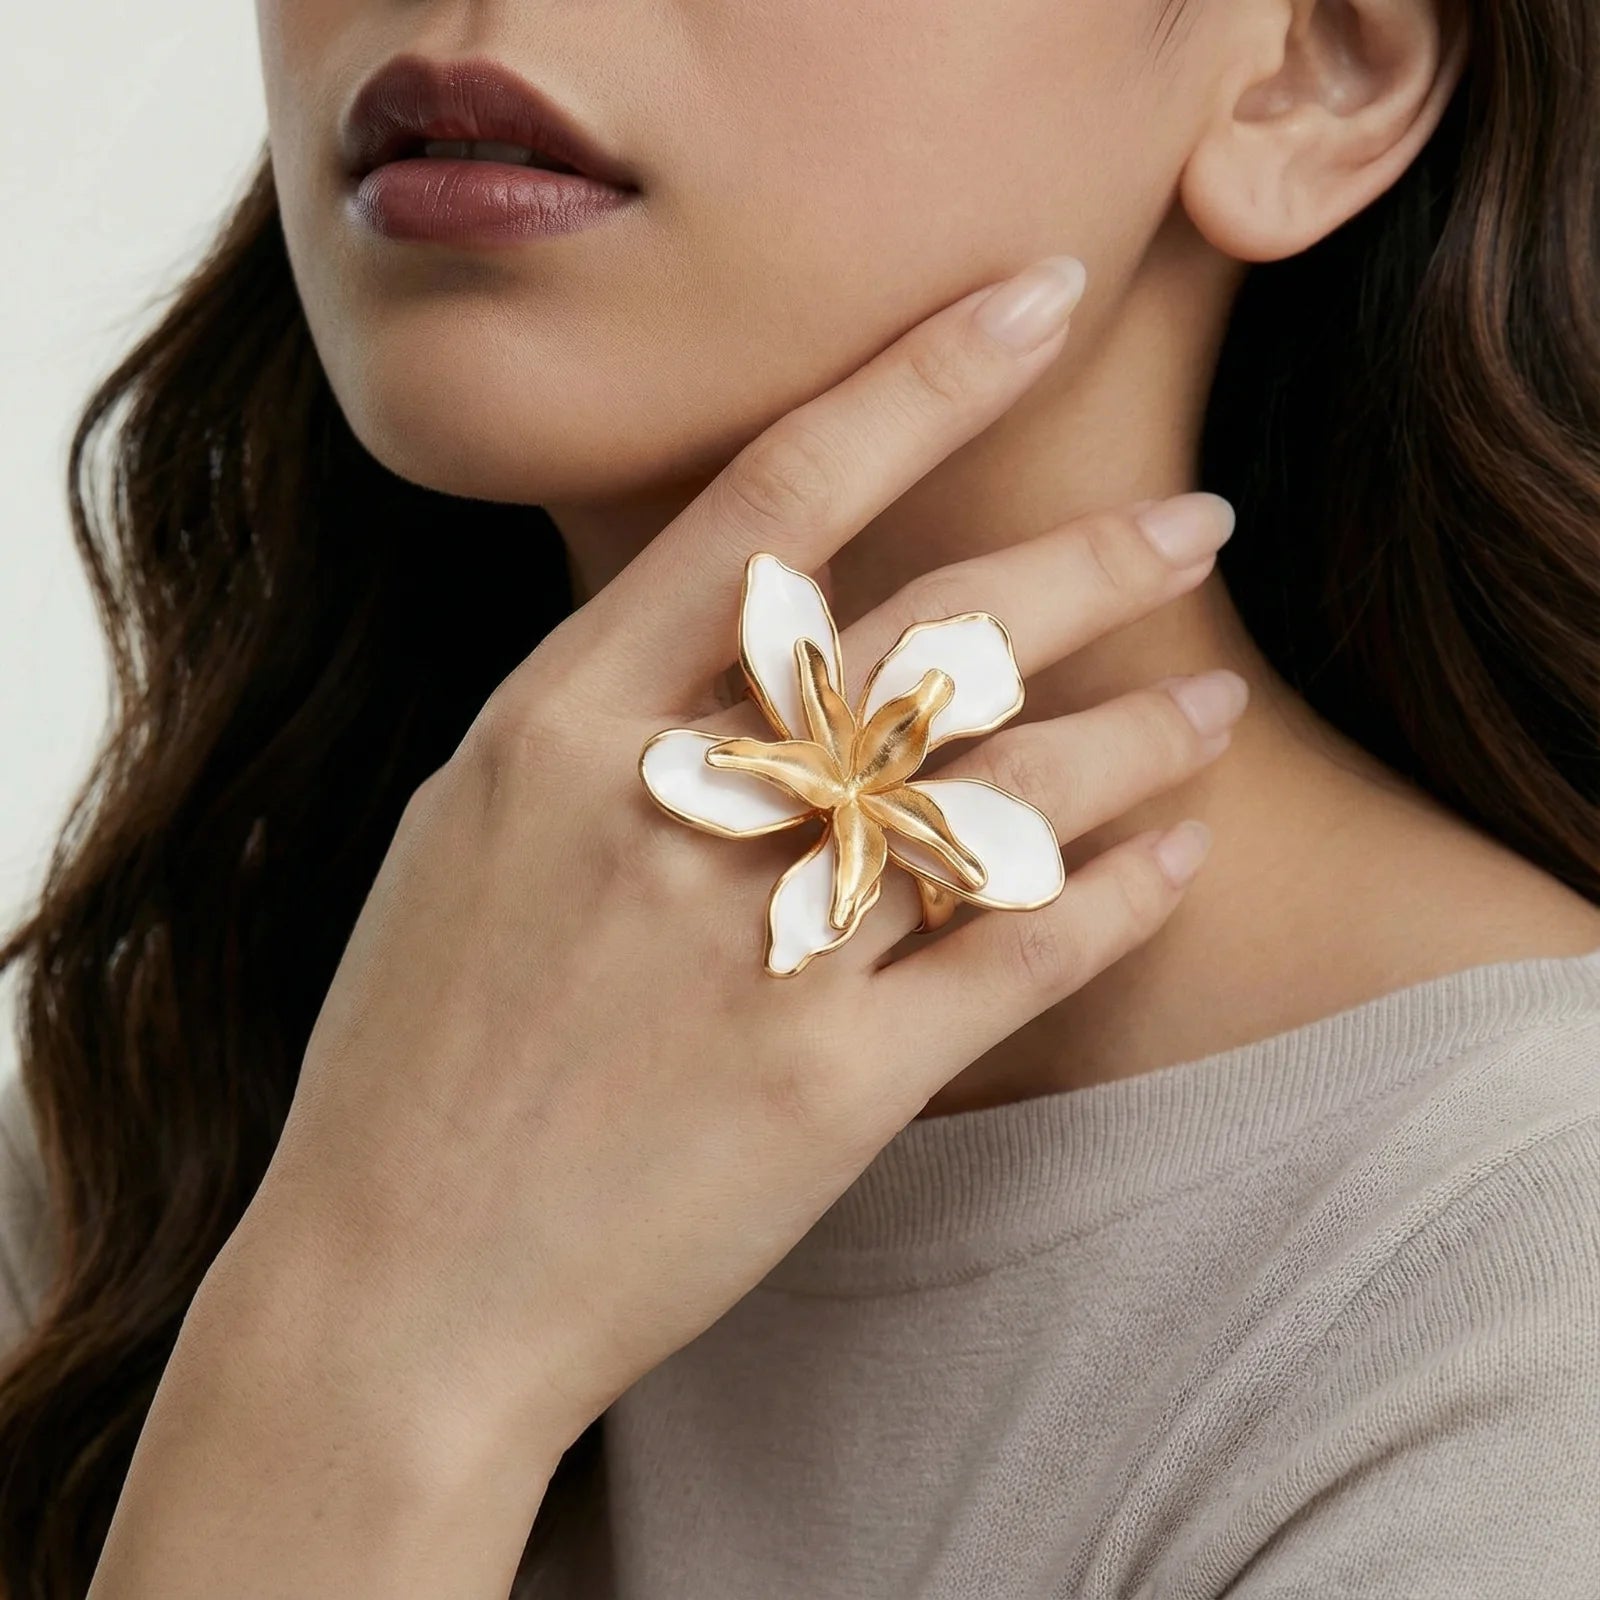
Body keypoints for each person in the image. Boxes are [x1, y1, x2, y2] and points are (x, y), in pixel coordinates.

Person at [2, 0, 1599, 1594]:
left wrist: (391, 1369)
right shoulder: (158, 1116)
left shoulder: (1524, 1292)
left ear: (1314, 70)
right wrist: (371, 1323)